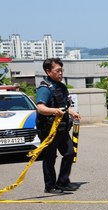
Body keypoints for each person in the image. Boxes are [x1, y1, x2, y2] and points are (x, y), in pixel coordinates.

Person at [35, 58, 81, 194]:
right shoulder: (45, 88)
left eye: (62, 70)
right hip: (48, 130)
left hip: (62, 129)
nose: (60, 73)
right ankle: (50, 186)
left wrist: (72, 113)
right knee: (50, 157)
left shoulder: (61, 86)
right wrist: (54, 111)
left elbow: (64, 106)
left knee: (69, 153)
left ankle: (63, 182)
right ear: (48, 72)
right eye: (57, 71)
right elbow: (40, 108)